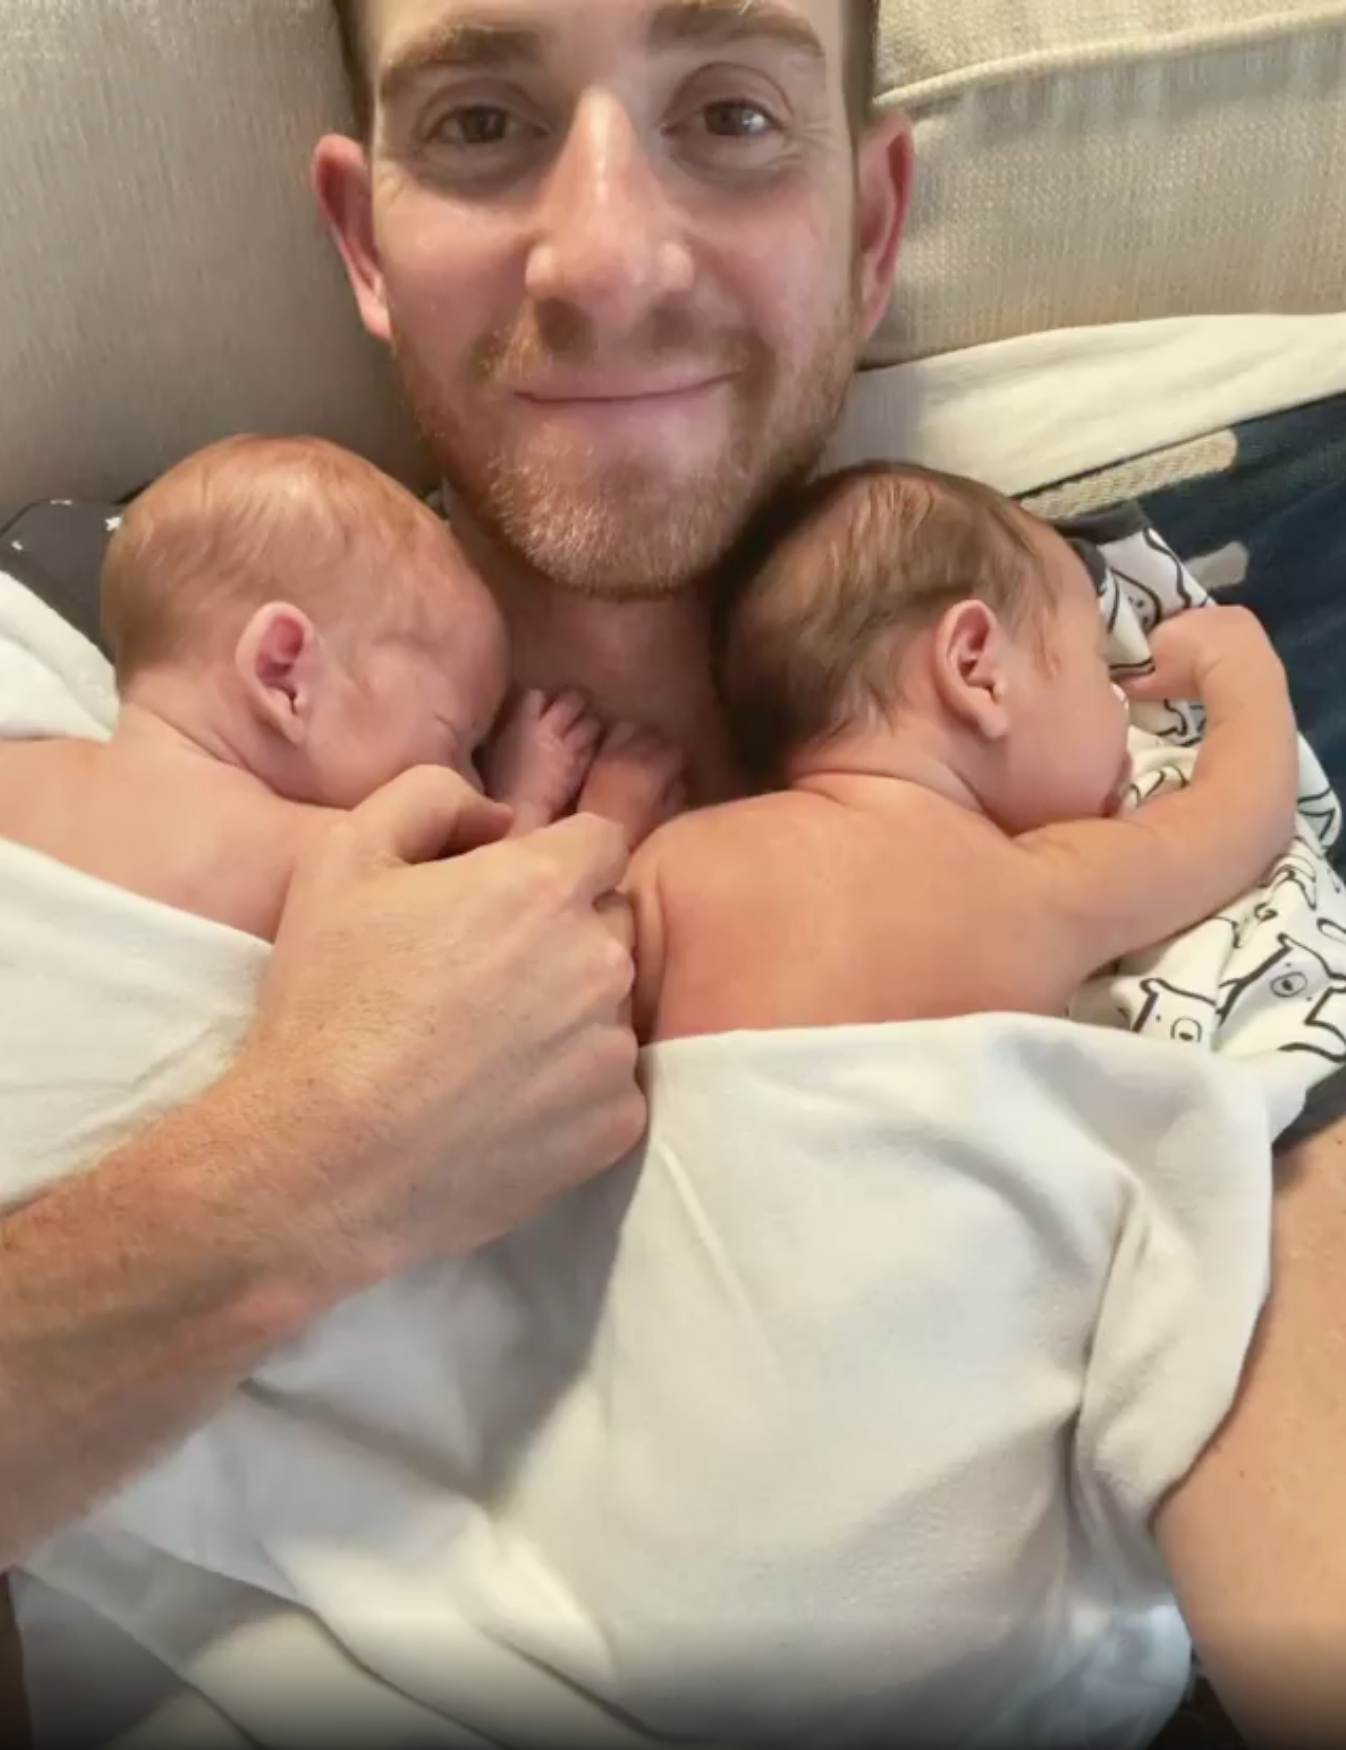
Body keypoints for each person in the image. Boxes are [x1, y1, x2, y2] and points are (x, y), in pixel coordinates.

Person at [3, 2, 1345, 1743]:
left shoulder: (1092, 687)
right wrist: (309, 1157)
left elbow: (1281, 1273)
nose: (608, 261)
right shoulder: (110, 637)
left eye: (728, 115)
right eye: (481, 124)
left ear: (871, 224)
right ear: (365, 240)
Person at [630, 463, 1298, 1044]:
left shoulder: (683, 860)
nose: (1122, 710)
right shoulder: (1032, 889)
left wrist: (604, 814)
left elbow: (577, 984)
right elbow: (1238, 823)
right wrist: (1244, 670)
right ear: (977, 669)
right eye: (1099, 665)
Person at [0, 433, 681, 941]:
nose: (469, 784)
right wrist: (560, 807)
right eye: (456, 743)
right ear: (285, 675)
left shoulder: (29, 772)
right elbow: (497, 932)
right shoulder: (291, 852)